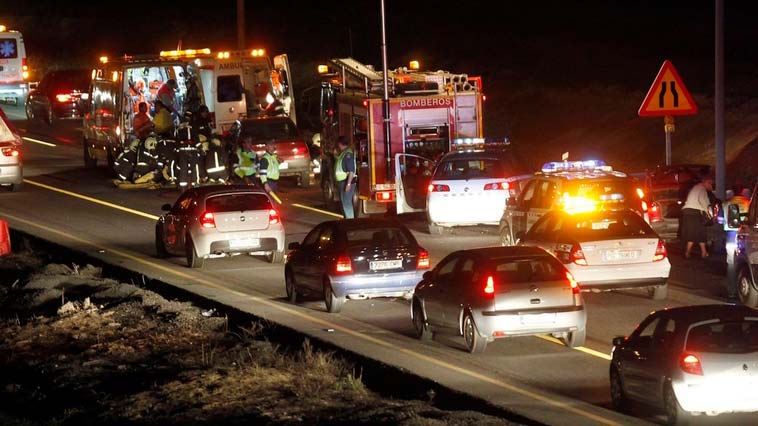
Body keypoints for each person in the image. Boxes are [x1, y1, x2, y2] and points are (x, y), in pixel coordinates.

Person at [681, 176, 715, 258]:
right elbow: (704, 202)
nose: (711, 185)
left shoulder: (695, 188)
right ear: (705, 182)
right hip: (695, 213)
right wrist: (709, 213)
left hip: (687, 212)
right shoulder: (702, 189)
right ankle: (701, 253)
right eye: (710, 183)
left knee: (692, 233)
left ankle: (692, 252)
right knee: (701, 233)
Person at [335, 136, 356, 219]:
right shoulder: (343, 153)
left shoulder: (347, 154)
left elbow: (351, 170)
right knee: (345, 203)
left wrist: (348, 184)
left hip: (347, 182)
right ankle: (347, 220)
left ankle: (351, 223)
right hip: (343, 182)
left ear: (340, 144)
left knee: (347, 203)